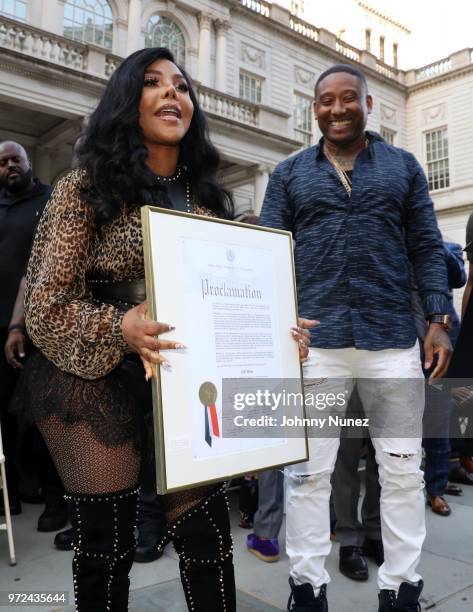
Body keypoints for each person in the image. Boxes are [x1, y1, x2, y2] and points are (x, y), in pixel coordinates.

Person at [23, 47, 311, 611]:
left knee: (207, 538)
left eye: (181, 85)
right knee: (106, 543)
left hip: (183, 376)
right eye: (153, 83)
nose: (172, 93)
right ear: (128, 101)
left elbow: (225, 296)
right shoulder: (83, 187)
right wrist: (118, 325)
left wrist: (276, 331)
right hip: (90, 376)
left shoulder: (208, 201)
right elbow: (46, 305)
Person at [260, 64, 452, 612]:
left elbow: (425, 246)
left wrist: (437, 320)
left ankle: (401, 586)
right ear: (313, 108)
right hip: (315, 344)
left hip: (392, 340)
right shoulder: (289, 173)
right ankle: (307, 586)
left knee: (400, 469)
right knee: (307, 473)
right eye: (326, 100)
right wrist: (276, 324)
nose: (336, 108)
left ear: (369, 105)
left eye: (349, 99)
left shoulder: (404, 167)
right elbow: (271, 253)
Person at [0, 141, 68, 533]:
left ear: (28, 164)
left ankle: (55, 499)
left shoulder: (50, 201)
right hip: (3, 326)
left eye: (16, 160)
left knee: (44, 416)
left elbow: (39, 268)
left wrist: (19, 323)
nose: (10, 166)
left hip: (39, 326)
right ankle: (13, 493)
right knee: (7, 417)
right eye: (3, 162)